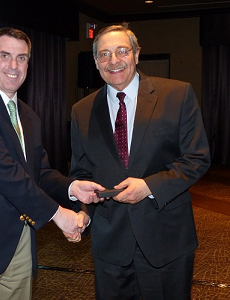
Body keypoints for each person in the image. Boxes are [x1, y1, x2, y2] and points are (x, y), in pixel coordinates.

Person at [0, 27, 104, 300]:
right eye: (5, 55)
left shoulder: (28, 115)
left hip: (20, 243)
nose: (14, 65)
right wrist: (58, 214)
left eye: (22, 58)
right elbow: (4, 172)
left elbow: (40, 173)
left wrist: (73, 188)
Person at [69, 23, 211, 300]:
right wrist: (84, 211)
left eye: (122, 51)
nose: (114, 60)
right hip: (110, 242)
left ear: (136, 54)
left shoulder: (177, 95)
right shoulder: (81, 110)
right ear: (96, 62)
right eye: (105, 54)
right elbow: (81, 171)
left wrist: (149, 186)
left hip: (165, 238)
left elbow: (197, 157)